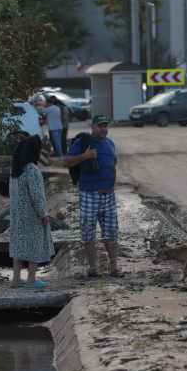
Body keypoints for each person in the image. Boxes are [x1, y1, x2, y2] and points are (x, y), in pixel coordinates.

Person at [62, 114, 123, 278]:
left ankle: (114, 268)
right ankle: (92, 268)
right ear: (92, 127)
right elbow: (66, 161)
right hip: (89, 194)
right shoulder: (83, 142)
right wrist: (85, 156)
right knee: (88, 232)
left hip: (109, 195)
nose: (103, 129)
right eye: (100, 126)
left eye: (105, 126)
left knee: (111, 233)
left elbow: (114, 162)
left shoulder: (110, 143)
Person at [9, 136, 54, 288]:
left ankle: (16, 279)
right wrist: (44, 214)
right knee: (34, 245)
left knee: (19, 245)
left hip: (17, 215)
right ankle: (31, 279)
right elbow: (37, 196)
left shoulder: (15, 169)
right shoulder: (32, 169)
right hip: (31, 215)